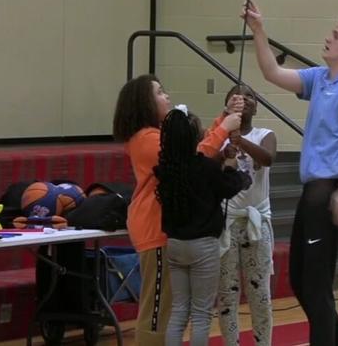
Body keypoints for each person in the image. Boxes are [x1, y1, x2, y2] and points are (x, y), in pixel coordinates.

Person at [240, 0, 338, 346]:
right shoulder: (320, 79)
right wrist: (259, 30)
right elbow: (272, 72)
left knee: (316, 288)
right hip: (311, 193)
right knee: (303, 283)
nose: (328, 38)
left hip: (330, 193)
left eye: (336, 35)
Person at [112, 74, 241, 346]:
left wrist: (224, 117)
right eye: (160, 92)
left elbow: (190, 149)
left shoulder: (156, 135)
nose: (167, 96)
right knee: (156, 311)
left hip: (165, 230)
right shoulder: (146, 139)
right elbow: (191, 159)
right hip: (154, 229)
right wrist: (224, 127)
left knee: (170, 310)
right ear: (143, 103)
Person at [155, 108, 250, 346]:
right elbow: (228, 187)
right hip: (203, 247)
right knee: (201, 314)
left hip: (175, 245)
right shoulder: (204, 167)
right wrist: (237, 171)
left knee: (179, 311)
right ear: (194, 139)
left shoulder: (165, 170)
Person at [216, 84, 277, 346]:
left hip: (256, 223)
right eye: (237, 95)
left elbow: (268, 158)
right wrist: (225, 150)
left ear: (257, 104)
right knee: (227, 294)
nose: (244, 98)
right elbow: (208, 166)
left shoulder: (266, 134)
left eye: (250, 95)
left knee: (259, 292)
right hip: (228, 222)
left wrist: (242, 142)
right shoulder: (218, 137)